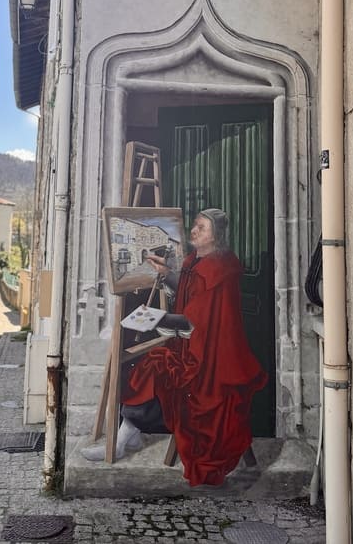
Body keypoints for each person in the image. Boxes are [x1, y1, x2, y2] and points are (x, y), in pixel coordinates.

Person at [82, 208, 267, 487]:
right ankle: (126, 434)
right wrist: (166, 273)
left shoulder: (220, 269)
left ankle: (125, 435)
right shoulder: (197, 260)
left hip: (211, 359)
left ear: (215, 236)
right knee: (153, 365)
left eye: (201, 228)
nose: (193, 231)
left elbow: (195, 320)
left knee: (155, 367)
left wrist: (156, 318)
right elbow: (188, 289)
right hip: (196, 349)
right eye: (194, 225)